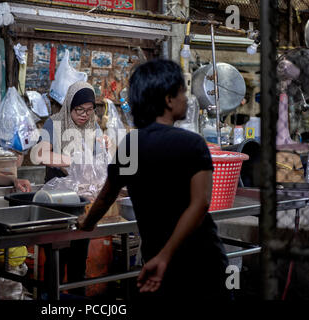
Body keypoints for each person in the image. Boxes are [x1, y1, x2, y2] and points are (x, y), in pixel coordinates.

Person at [78, 59, 230, 300]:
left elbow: (107, 195)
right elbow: (200, 203)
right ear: (169, 100)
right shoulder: (193, 144)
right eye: (182, 92)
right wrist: (165, 256)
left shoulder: (130, 145)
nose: (186, 99)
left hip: (156, 259)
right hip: (200, 260)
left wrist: (86, 223)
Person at [33, 81, 108, 297]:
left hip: (82, 202)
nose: (84, 115)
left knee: (78, 260)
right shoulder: (54, 124)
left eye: (89, 109)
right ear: (69, 107)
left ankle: (77, 302)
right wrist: (68, 160)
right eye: (79, 110)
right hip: (56, 204)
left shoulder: (92, 127)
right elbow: (39, 155)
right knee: (56, 260)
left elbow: (97, 162)